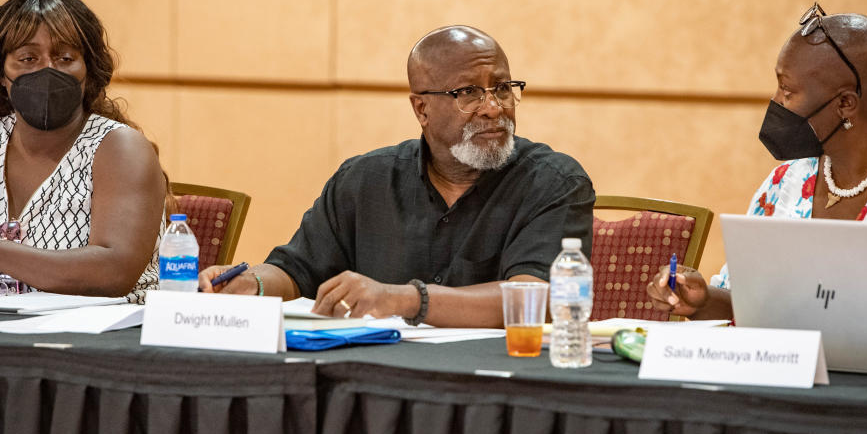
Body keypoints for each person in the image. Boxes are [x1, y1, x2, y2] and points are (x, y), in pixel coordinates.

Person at [200, 25, 595, 327]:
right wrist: (254, 284)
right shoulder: (364, 180)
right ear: (421, 109)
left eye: (503, 88)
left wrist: (407, 299)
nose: (493, 107)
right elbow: (296, 270)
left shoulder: (553, 181)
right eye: (469, 93)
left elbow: (538, 299)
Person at [0, 0, 167, 303]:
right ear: (0, 74)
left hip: (107, 338)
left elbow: (111, 275)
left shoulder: (120, 148)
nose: (47, 69)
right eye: (28, 58)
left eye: (65, 57)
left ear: (89, 71)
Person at [647, 4, 867, 320]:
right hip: (782, 365)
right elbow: (746, 303)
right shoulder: (785, 181)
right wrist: (700, 300)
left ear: (844, 104)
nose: (775, 102)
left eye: (787, 91)